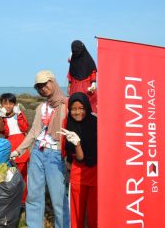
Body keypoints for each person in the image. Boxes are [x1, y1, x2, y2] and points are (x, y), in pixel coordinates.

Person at [11, 70, 69, 228]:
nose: (43, 88)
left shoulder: (67, 104)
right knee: (33, 196)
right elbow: (33, 132)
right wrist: (18, 150)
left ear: (53, 82)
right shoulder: (40, 107)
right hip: (37, 152)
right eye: (39, 87)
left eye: (45, 84)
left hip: (55, 154)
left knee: (59, 198)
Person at [60, 92, 97, 228]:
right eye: (74, 109)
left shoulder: (97, 123)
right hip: (78, 173)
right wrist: (77, 144)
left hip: (96, 174)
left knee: (94, 215)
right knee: (76, 214)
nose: (77, 112)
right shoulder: (69, 124)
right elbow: (79, 158)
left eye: (81, 108)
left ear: (87, 107)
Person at [0, 93, 29, 204]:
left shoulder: (19, 114)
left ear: (15, 104)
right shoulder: (1, 117)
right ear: (1, 104)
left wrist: (19, 113)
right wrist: (0, 117)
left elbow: (25, 128)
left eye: (11, 103)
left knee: (23, 178)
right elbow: (0, 130)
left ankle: (23, 202)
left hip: (22, 151)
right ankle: (11, 202)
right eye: (5, 103)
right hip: (9, 152)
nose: (8, 106)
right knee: (10, 178)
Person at [67, 40, 98, 113]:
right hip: (77, 87)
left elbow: (92, 72)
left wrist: (93, 84)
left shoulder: (87, 60)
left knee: (87, 108)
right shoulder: (73, 59)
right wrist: (69, 85)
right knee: (77, 107)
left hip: (85, 88)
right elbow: (70, 74)